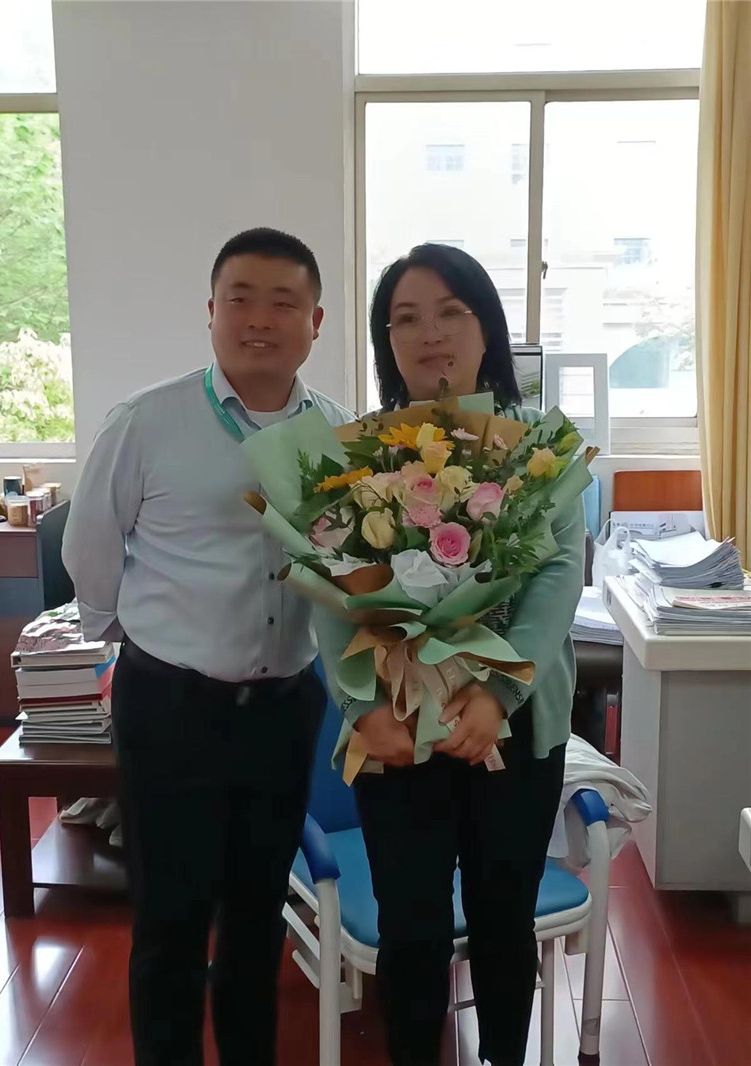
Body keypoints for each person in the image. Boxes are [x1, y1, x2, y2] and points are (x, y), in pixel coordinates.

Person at [62, 227, 354, 1066]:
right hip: (171, 708)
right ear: (212, 312)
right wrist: (131, 636)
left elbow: (348, 567)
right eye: (241, 299)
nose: (260, 319)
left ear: (315, 321)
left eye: (284, 302)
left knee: (258, 918)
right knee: (171, 923)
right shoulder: (146, 422)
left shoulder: (338, 436)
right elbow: (90, 547)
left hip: (284, 709)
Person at [347, 243, 585, 1066]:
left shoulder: (542, 446)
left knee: (503, 918)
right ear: (386, 341)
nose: (431, 333)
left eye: (452, 311)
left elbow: (556, 576)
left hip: (515, 726)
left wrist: (497, 694)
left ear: (487, 326)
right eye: (405, 318)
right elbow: (328, 593)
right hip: (397, 725)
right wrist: (362, 708)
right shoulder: (362, 454)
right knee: (411, 927)